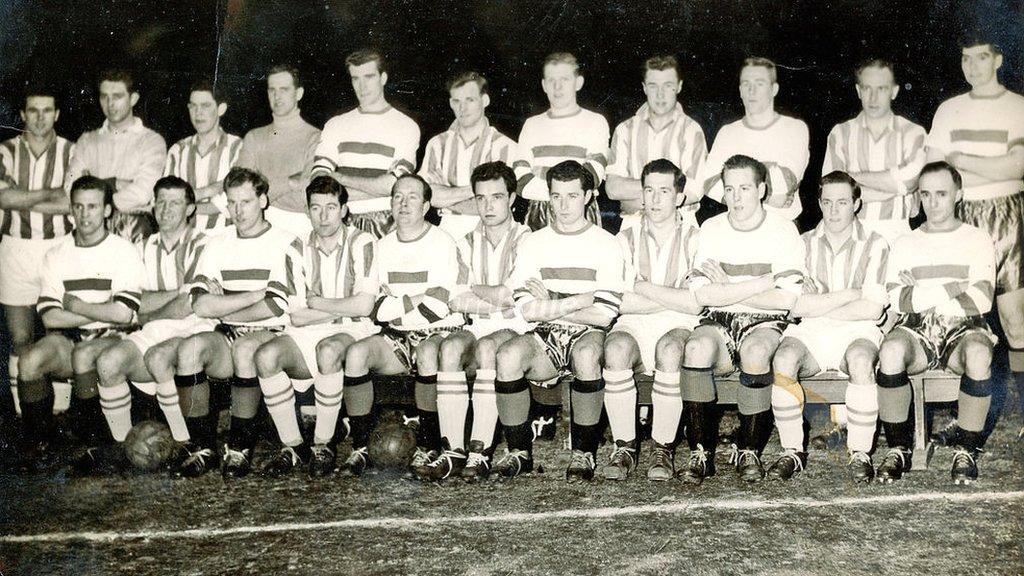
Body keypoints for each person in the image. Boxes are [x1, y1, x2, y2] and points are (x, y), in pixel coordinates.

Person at [493, 160, 625, 482]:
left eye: (572, 196)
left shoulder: (607, 243)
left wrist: (551, 301)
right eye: (556, 197)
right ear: (548, 198)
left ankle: (584, 453)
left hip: (588, 332)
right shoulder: (533, 242)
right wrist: (576, 300)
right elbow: (526, 308)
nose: (563, 206)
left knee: (586, 355)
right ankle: (520, 453)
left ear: (589, 196)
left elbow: (605, 312)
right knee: (507, 355)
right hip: (546, 334)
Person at [325, 174, 462, 477]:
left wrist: (396, 305)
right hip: (397, 336)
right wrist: (413, 299)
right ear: (389, 204)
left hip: (438, 333)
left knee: (427, 352)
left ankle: (427, 447)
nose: (404, 203)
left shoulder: (442, 242)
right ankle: (360, 447)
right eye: (397, 196)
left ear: (427, 205)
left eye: (413, 196)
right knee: (358, 354)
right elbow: (373, 308)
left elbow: (439, 305)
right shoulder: (381, 246)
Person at [680, 154, 805, 483]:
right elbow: (702, 296)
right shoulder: (711, 228)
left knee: (755, 352)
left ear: (762, 189)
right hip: (720, 318)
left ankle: (749, 449)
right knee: (695, 349)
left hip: (764, 321)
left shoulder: (783, 230)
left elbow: (786, 300)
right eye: (729, 189)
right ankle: (701, 452)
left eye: (745, 188)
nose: (735, 198)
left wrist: (729, 285)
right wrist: (761, 283)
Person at [174, 167, 303, 479]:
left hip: (274, 333)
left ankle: (240, 447)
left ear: (263, 200)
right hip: (227, 332)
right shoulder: (216, 243)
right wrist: (254, 294)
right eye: (231, 203)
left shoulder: (287, 242)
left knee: (246, 349)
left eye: (245, 202)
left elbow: (276, 306)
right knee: (188, 351)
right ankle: (203, 447)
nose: (237, 211)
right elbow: (201, 304)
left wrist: (227, 304)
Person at [925, 36, 1024, 442]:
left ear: (998, 59)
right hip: (960, 216)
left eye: (982, 57)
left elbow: (1019, 165)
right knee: (960, 315)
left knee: (1016, 321)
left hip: (1007, 213)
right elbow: (934, 166)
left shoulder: (1017, 106)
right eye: (965, 58)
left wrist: (962, 161)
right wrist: (993, 166)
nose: (973, 66)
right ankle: (960, 414)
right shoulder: (950, 109)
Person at [875, 162, 997, 485]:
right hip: (918, 327)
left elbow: (981, 299)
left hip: (965, 325)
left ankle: (967, 451)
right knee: (890, 351)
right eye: (925, 194)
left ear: (958, 195)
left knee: (980, 354)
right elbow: (898, 300)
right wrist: (953, 286)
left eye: (941, 194)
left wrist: (920, 290)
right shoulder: (905, 242)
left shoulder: (978, 238)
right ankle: (900, 448)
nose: (933, 202)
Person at [16, 176, 144, 473]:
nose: (85, 215)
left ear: (107, 210)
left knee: (85, 355)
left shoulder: (122, 250)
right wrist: (101, 310)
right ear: (71, 210)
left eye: (93, 207)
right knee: (30, 361)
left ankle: (95, 445)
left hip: (114, 338)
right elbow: (49, 316)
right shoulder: (57, 254)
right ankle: (39, 443)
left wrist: (76, 305)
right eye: (78, 207)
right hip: (72, 337)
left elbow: (124, 315)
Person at [253, 175, 379, 477]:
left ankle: (323, 444)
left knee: (328, 350)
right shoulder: (296, 249)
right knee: (265, 357)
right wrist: (341, 305)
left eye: (331, 207)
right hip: (307, 330)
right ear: (307, 210)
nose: (323, 216)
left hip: (355, 330)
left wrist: (320, 303)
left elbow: (365, 307)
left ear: (345, 210)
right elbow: (296, 315)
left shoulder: (363, 242)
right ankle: (293, 446)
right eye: (316, 208)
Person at [767, 171, 889, 483]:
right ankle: (792, 451)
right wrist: (850, 295)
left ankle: (860, 452)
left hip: (857, 330)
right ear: (820, 203)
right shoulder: (802, 244)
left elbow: (873, 309)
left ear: (857, 204)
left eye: (843, 202)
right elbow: (793, 305)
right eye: (828, 202)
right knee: (783, 360)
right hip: (812, 331)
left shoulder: (875, 244)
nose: (834, 210)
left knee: (861, 360)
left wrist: (820, 302)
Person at [89, 177, 211, 473]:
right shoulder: (141, 247)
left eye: (175, 203)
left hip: (196, 329)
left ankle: (187, 445)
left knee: (159, 357)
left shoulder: (205, 243)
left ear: (190, 208)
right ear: (153, 206)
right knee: (108, 362)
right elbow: (134, 302)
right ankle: (122, 447)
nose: (166, 209)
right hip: (154, 330)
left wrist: (149, 311)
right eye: (161, 202)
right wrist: (171, 297)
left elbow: (191, 303)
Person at [426, 161, 531, 481]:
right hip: (476, 324)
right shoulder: (465, 242)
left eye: (496, 197)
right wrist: (493, 296)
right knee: (448, 350)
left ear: (512, 198)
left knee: (487, 348)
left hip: (517, 327)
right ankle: (453, 451)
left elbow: (513, 297)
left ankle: (480, 452)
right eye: (481, 198)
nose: (488, 205)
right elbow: (455, 299)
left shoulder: (528, 239)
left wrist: (477, 290)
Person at [602, 159, 702, 481]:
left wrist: (643, 287)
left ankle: (663, 447)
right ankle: (625, 447)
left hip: (679, 323)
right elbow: (620, 300)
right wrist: (671, 294)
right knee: (616, 347)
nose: (656, 199)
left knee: (670, 349)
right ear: (641, 196)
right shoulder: (624, 237)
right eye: (649, 191)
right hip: (637, 321)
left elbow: (695, 304)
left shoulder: (696, 237)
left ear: (679, 197)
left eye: (664, 191)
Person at [0, 87, 75, 429]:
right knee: (19, 337)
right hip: (15, 247)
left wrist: (21, 197)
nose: (40, 117)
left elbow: (70, 204)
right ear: (23, 114)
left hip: (58, 246)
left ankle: (60, 410)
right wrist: (50, 193)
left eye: (47, 110)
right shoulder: (6, 150)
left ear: (57, 114)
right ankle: (25, 415)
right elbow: (2, 199)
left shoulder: (72, 152)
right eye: (33, 110)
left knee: (56, 329)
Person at [312, 49, 420, 238]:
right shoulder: (335, 124)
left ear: (383, 78)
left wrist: (340, 179)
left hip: (386, 223)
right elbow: (320, 183)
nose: (362, 86)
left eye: (369, 77)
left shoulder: (406, 126)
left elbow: (393, 187)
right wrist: (376, 188)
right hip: (341, 221)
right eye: (355, 78)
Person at [822, 59, 927, 244]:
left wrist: (850, 177)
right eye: (867, 88)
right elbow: (834, 191)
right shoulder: (840, 133)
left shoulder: (913, 132)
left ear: (894, 91)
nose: (873, 97)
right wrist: (894, 190)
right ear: (858, 91)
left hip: (897, 232)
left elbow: (909, 182)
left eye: (881, 89)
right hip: (851, 230)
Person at [700, 57, 809, 222]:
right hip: (738, 227)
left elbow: (785, 182)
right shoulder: (727, 132)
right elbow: (708, 183)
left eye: (759, 83)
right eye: (746, 84)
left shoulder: (794, 128)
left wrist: (735, 185)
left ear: (774, 89)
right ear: (740, 90)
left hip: (781, 226)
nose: (752, 91)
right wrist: (768, 191)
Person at [607, 55, 707, 230]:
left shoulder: (692, 130)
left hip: (681, 224)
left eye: (668, 86)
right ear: (644, 88)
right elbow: (613, 188)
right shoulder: (625, 129)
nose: (660, 94)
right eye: (653, 86)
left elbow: (695, 189)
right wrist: (667, 189)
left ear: (679, 86)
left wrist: (638, 199)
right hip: (634, 224)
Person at [66, 69, 166, 242]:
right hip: (90, 232)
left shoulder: (151, 141)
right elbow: (70, 187)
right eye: (104, 96)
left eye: (117, 96)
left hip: (134, 231)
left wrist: (93, 195)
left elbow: (144, 192)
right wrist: (117, 184)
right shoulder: (87, 141)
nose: (110, 103)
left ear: (133, 99)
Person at [514, 52, 610, 230]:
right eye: (551, 80)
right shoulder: (532, 125)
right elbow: (520, 181)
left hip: (581, 213)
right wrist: (569, 186)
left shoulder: (595, 122)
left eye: (565, 79)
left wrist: (542, 172)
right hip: (538, 214)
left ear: (578, 82)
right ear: (544, 85)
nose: (557, 87)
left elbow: (593, 176)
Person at [418, 72, 517, 241]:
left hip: (493, 230)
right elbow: (428, 196)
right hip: (448, 229)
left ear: (484, 100)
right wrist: (479, 190)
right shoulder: (437, 144)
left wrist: (446, 199)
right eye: (457, 101)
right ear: (451, 103)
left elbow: (501, 203)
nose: (462, 108)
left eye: (470, 100)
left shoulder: (505, 145)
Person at [236, 64, 320, 239]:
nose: (277, 96)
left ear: (299, 93)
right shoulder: (254, 137)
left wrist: (262, 191)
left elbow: (307, 195)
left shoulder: (315, 137)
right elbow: (242, 191)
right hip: (258, 226)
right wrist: (291, 182)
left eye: (284, 89)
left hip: (301, 228)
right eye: (272, 90)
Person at [164, 80, 243, 232]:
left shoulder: (237, 148)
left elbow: (232, 202)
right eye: (193, 106)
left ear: (221, 109)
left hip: (222, 238)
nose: (198, 113)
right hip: (184, 238)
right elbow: (167, 199)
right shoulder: (177, 151)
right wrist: (216, 188)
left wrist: (190, 200)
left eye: (205, 106)